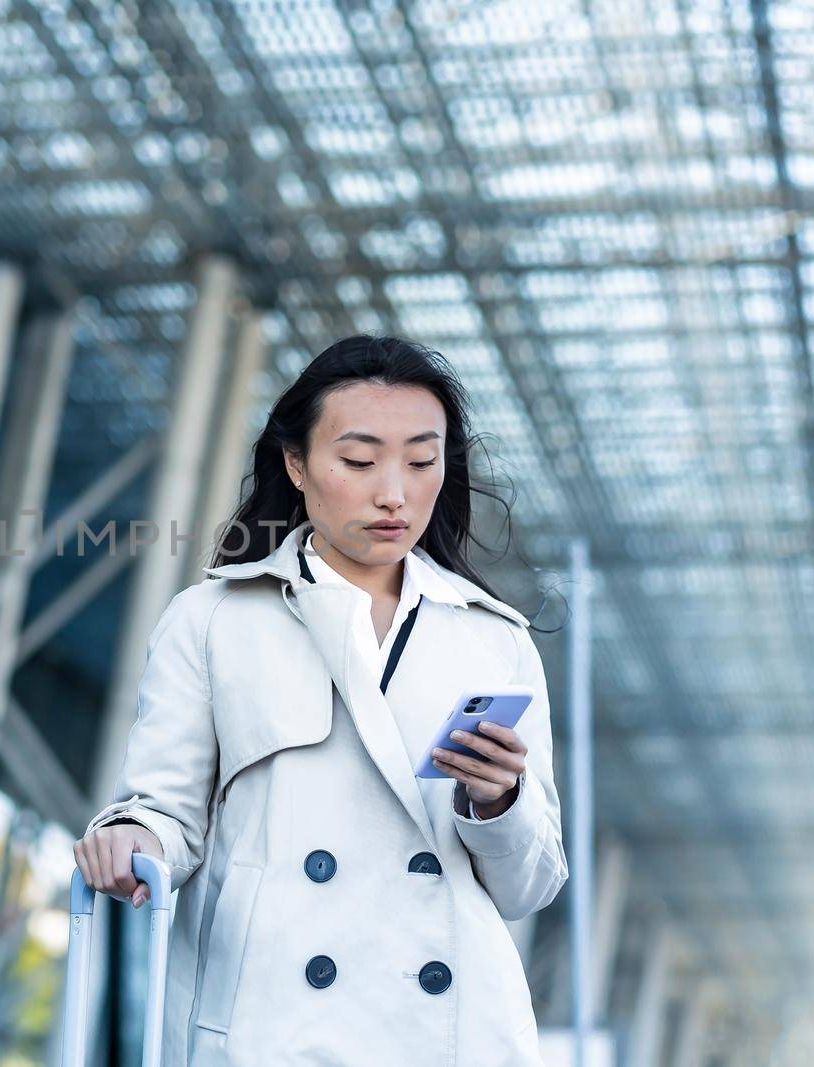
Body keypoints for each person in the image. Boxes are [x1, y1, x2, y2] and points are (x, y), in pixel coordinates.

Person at [73, 335, 567, 1065]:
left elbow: (530, 885)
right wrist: (130, 839)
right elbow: (164, 811)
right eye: (360, 461)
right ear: (296, 463)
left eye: (422, 461)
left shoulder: (495, 642)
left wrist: (498, 800)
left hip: (450, 1036)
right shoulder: (213, 619)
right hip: (268, 1026)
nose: (393, 493)